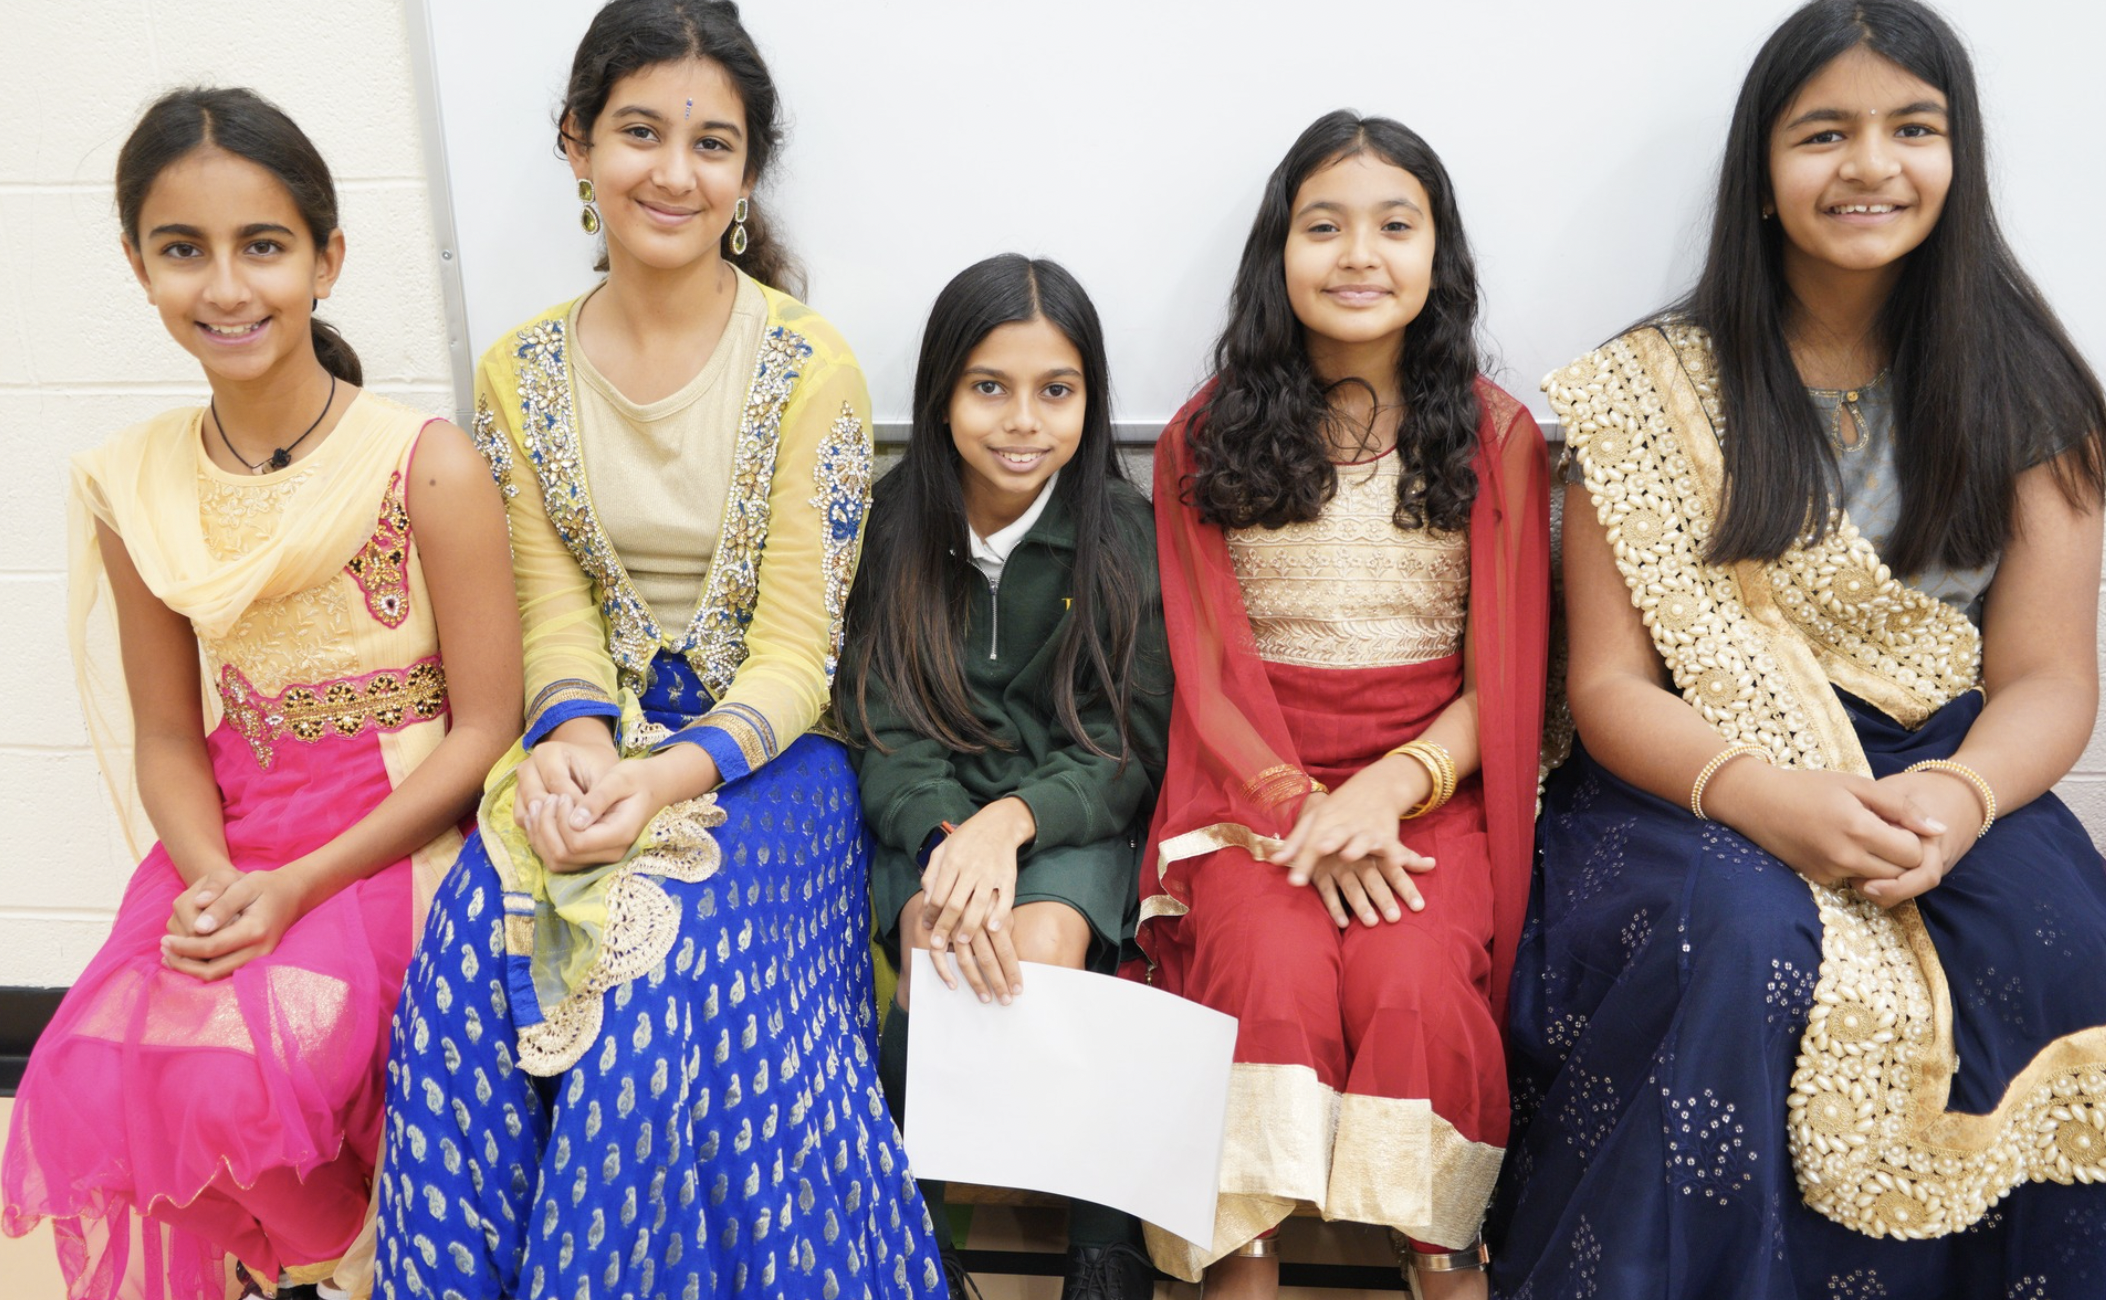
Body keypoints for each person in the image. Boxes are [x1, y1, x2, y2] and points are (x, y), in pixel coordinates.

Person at [1489, 2, 2106, 1296]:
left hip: (1943, 765)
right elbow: (1605, 686)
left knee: (2053, 936)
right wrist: (1762, 795)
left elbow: (2048, 677)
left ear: (1957, 155)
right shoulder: (1649, 391)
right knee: (1739, 938)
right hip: (1688, 779)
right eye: (1823, 133)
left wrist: (1959, 796)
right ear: (1761, 174)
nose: (1870, 165)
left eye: (1912, 129)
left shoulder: (2030, 390)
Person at [372, 3, 946, 1297]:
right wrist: (577, 744)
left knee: (652, 986)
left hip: (771, 770)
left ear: (746, 173)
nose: (673, 173)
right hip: (583, 744)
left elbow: (796, 658)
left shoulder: (808, 367)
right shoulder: (518, 373)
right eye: (639, 132)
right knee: (465, 963)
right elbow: (549, 605)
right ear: (576, 145)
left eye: (710, 143)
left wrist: (656, 781)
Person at [0, 87, 520, 1299]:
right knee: (97, 1075)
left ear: (327, 260)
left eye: (264, 246)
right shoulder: (136, 487)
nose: (226, 286)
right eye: (184, 249)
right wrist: (213, 882)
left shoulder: (423, 464)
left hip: (396, 825)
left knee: (241, 1077)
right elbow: (169, 737)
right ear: (138, 265)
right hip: (232, 833)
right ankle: (342, 1263)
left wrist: (295, 889)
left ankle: (367, 1262)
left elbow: (488, 726)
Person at [1138, 111, 1550, 1299]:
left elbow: (1509, 682)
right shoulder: (1202, 439)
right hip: (1252, 794)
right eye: (1323, 226)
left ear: (1438, 254)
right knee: (1264, 969)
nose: (1359, 254)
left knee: (1410, 983)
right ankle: (1240, 1268)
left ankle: (1445, 1261)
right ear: (1278, 252)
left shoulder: (1497, 438)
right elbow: (1210, 673)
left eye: (1393, 226)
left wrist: (1387, 790)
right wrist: (1305, 811)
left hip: (1434, 793)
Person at [837, 254, 1173, 1300]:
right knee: (938, 946)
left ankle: (1103, 1243)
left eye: (1055, 390)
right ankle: (911, 1240)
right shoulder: (891, 526)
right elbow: (884, 728)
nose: (1023, 421)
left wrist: (1009, 827)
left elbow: (1125, 743)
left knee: (1044, 946)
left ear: (1089, 399)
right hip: (931, 823)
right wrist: (953, 842)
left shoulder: (1121, 533)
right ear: (942, 396)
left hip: (1070, 820)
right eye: (990, 387)